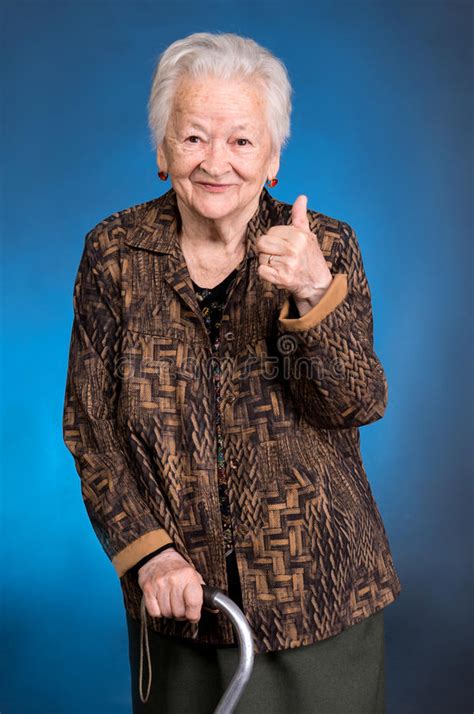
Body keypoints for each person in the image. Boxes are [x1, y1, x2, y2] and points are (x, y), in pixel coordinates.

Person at [62, 31, 402, 714]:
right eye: (192, 138)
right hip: (182, 604)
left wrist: (312, 294)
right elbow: (89, 426)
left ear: (273, 157)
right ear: (162, 151)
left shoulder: (326, 246)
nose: (216, 162)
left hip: (322, 601)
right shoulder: (115, 254)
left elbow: (356, 400)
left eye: (242, 141)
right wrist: (147, 553)